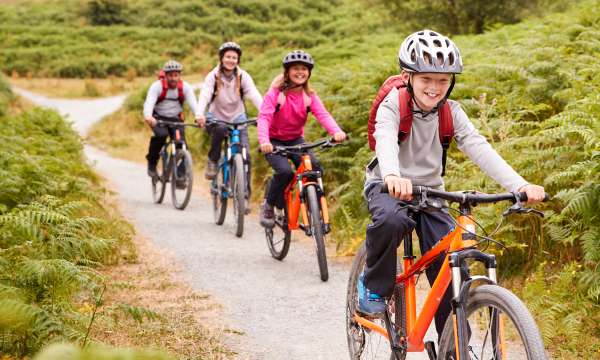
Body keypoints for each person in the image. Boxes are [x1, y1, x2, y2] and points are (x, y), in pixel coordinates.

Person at [359, 30, 546, 341]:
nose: (434, 88)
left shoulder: (451, 112)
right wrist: (392, 175)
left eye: (443, 81)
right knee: (391, 220)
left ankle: (455, 342)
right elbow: (385, 139)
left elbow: (479, 147)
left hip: (431, 193)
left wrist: (520, 184)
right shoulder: (393, 104)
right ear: (408, 76)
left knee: (451, 260)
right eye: (426, 79)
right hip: (387, 186)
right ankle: (373, 286)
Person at [257, 50, 346, 228]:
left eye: (304, 69)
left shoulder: (309, 96)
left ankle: (316, 209)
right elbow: (264, 117)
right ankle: (269, 204)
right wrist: (264, 142)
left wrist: (337, 132)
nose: (300, 72)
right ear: (287, 72)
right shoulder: (275, 94)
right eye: (295, 68)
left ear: (309, 72)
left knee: (314, 167)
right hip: (273, 141)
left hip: (296, 139)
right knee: (284, 172)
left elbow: (323, 115)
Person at [197, 42, 262, 211]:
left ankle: (244, 197)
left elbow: (253, 94)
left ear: (238, 60)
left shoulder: (243, 76)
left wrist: (265, 113)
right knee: (219, 130)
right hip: (216, 117)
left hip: (238, 117)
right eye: (228, 57)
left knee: (245, 156)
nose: (231, 60)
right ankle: (213, 161)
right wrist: (199, 113)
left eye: (234, 57)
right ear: (221, 58)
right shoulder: (213, 76)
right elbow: (204, 94)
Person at [143, 60, 201, 178]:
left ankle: (179, 175)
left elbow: (194, 105)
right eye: (170, 75)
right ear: (165, 75)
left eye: (176, 75)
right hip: (159, 119)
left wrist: (199, 117)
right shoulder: (157, 86)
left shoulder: (185, 87)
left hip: (176, 119)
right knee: (161, 136)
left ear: (179, 75)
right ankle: (152, 163)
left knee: (182, 145)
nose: (173, 78)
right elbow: (149, 103)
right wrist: (149, 116)